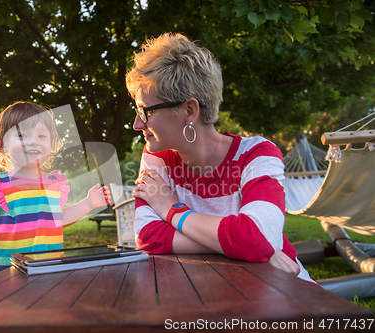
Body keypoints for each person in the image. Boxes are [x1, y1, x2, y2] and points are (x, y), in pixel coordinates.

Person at [126, 33, 314, 282]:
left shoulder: (257, 154)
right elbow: (149, 236)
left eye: (145, 111)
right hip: (222, 294)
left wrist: (172, 211)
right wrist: (250, 249)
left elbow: (256, 238)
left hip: (289, 294)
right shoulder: (156, 154)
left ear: (189, 110)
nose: (137, 124)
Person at [0, 101, 111, 273]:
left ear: (52, 144)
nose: (34, 142)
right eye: (22, 135)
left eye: (41, 136)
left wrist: (88, 203)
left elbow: (59, 218)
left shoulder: (53, 185)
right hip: (9, 275)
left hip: (51, 272)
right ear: (1, 143)